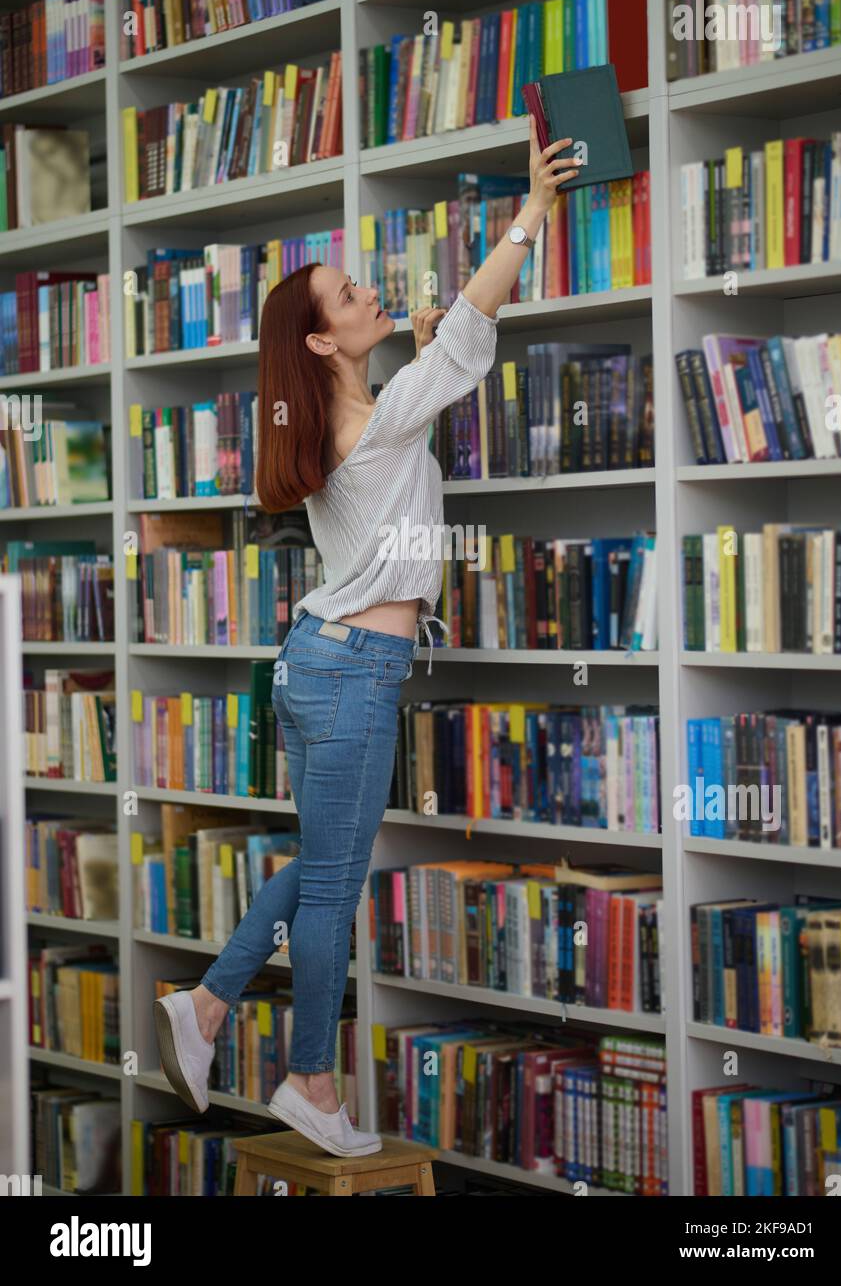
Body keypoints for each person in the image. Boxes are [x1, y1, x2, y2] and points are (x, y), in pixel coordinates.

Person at [153, 118, 581, 1158]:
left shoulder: (357, 419)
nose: (369, 293)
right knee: (337, 884)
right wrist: (533, 212)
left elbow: (435, 364)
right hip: (352, 673)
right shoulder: (371, 421)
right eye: (350, 297)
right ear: (319, 341)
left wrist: (425, 336)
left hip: (320, 663)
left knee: (320, 862)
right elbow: (469, 340)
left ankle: (206, 1008)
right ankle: (308, 1078)